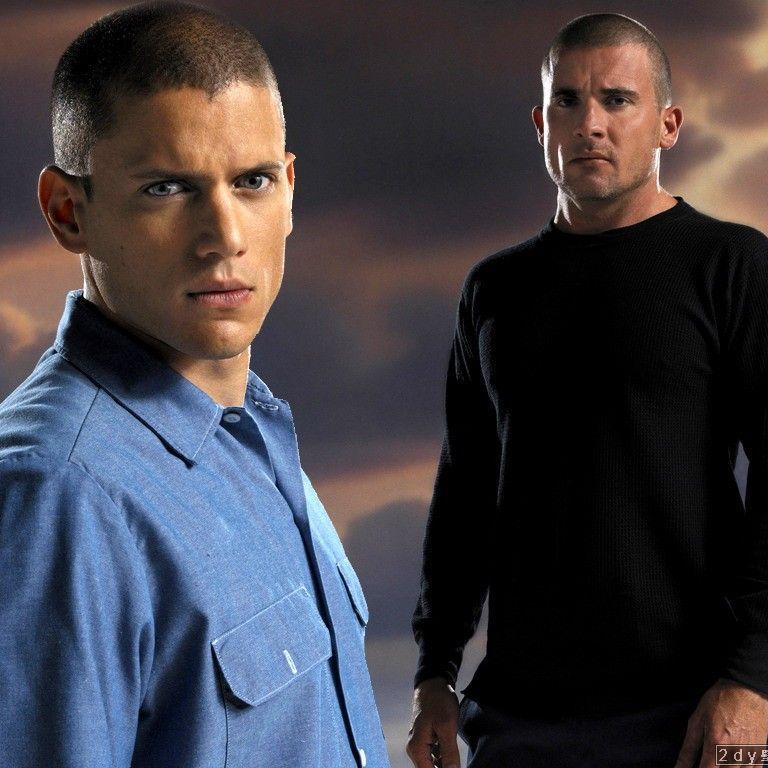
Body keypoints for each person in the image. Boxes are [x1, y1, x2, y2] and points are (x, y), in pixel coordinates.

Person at [0, 4, 389, 767]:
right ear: (67, 212)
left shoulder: (255, 432)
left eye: (252, 181)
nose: (225, 237)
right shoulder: (58, 493)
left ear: (289, 189)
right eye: (167, 188)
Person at [407, 12, 768, 768]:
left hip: (694, 709)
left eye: (617, 100)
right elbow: (464, 492)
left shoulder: (731, 266)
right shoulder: (494, 289)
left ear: (668, 124)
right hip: (520, 716)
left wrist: (754, 678)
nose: (590, 123)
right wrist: (434, 672)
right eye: (567, 101)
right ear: (542, 125)